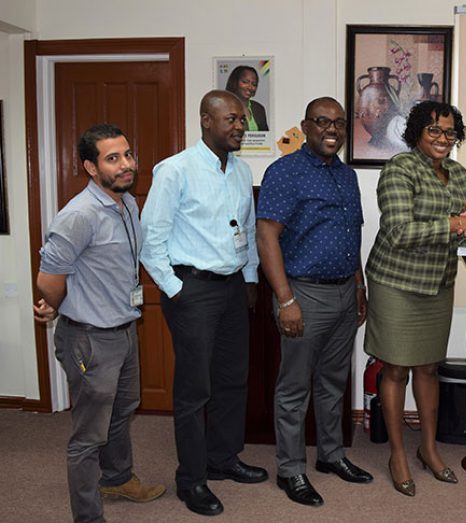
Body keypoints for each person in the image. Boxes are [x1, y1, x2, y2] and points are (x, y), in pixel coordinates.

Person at [140, 90, 267, 517]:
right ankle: (191, 480)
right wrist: (176, 290)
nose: (239, 126)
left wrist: (249, 280)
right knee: (195, 390)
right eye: (231, 118)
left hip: (232, 287)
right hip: (192, 289)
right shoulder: (175, 170)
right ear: (205, 120)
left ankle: (222, 459)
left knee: (233, 380)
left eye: (242, 119)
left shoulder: (240, 170)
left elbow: (245, 231)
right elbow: (150, 240)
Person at [35, 124, 165, 522]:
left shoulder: (128, 204)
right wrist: (51, 307)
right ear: (91, 168)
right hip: (89, 338)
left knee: (124, 409)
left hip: (124, 329)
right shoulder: (78, 215)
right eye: (113, 159)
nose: (126, 165)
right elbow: (48, 279)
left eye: (128, 154)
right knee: (87, 436)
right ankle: (88, 517)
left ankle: (118, 477)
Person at [365, 100, 466, 497]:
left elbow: (459, 229)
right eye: (433, 130)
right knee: (397, 369)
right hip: (397, 283)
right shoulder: (400, 169)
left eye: (450, 132)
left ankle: (429, 449)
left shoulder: (459, 174)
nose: (442, 139)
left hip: (437, 284)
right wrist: (455, 222)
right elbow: (400, 231)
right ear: (417, 131)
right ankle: (398, 453)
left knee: (429, 368)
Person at [256, 96, 373, 507]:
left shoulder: (348, 176)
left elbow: (350, 234)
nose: (332, 129)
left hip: (344, 292)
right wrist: (285, 300)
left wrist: (358, 286)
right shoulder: (285, 172)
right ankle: (290, 469)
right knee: (293, 389)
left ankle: (331, 455)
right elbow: (266, 235)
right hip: (303, 291)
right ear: (305, 126)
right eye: (322, 122)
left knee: (332, 383)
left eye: (339, 123)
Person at [225, 65, 269, 131]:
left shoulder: (259, 109)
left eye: (254, 84)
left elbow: (267, 137)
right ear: (235, 82)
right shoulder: (224, 108)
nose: (250, 87)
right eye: (245, 82)